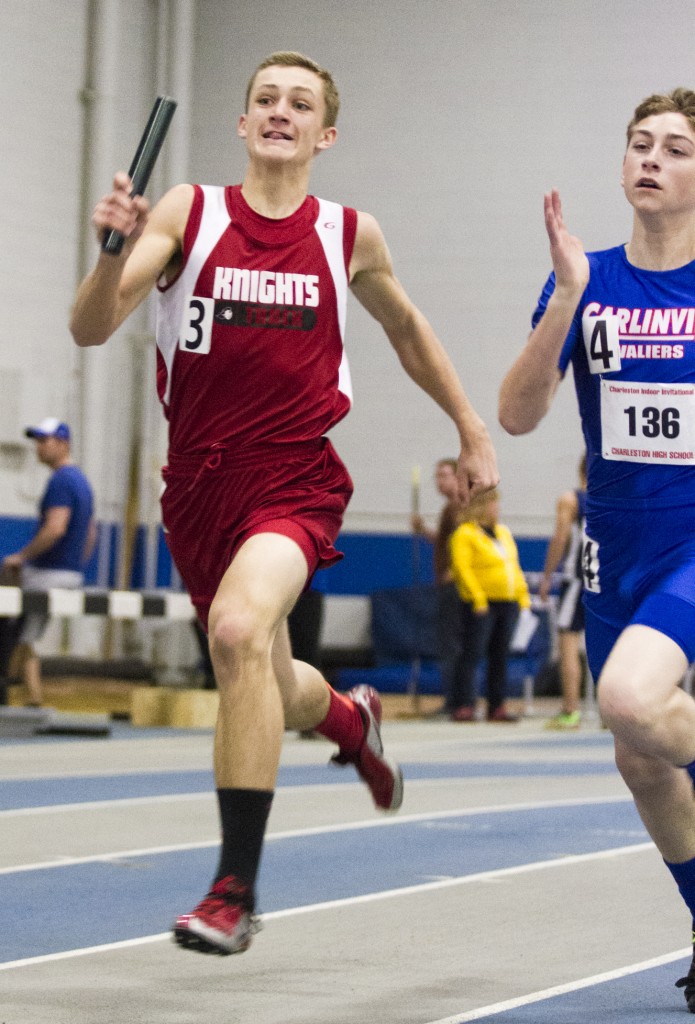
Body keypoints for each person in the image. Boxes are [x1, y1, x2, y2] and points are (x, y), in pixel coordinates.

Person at [69, 51, 499, 957]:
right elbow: (92, 325)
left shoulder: (348, 233)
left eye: (299, 103)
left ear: (323, 134)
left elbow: (407, 329)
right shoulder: (192, 211)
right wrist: (109, 250)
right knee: (261, 675)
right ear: (242, 121)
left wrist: (470, 427)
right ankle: (349, 718)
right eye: (265, 98)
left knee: (234, 635)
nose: (278, 111)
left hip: (293, 476)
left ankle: (235, 891)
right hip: (196, 486)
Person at [498, 87, 695, 1012]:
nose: (650, 159)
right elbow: (517, 412)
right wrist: (567, 298)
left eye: (675, 148)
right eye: (639, 144)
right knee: (638, 754)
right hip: (614, 551)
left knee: (626, 697)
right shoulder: (587, 277)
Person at [0, 418, 95, 707]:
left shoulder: (61, 481)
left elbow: (55, 528)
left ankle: (20, 692)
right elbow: (91, 533)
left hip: (48, 574)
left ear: (63, 444)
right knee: (24, 632)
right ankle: (30, 695)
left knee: (13, 625)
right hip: (69, 573)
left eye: (45, 441)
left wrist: (21, 557)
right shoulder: (81, 481)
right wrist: (75, 566)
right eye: (37, 441)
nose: (38, 448)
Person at [448, 489, 530, 722]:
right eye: (493, 504)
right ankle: (464, 703)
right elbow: (462, 569)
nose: (497, 509)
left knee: (500, 655)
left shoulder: (503, 532)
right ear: (481, 506)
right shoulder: (465, 533)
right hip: (481, 604)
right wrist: (478, 598)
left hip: (507, 601)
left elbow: (513, 565)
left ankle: (497, 705)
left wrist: (522, 596)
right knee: (472, 653)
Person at [411, 457, 464, 715]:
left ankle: (456, 702)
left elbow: (466, 545)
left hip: (454, 586)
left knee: (450, 643)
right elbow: (446, 544)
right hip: (448, 582)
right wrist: (424, 531)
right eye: (437, 476)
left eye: (444, 475)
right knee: (449, 643)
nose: (439, 481)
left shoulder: (459, 507)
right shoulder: (450, 509)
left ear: (457, 477)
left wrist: (454, 572)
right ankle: (455, 700)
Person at [539, 454, 587, 729]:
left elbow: (560, 538)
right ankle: (613, 714)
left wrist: (547, 577)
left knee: (567, 643)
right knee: (611, 645)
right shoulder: (614, 498)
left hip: (578, 579)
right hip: (609, 580)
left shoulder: (571, 500)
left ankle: (571, 710)